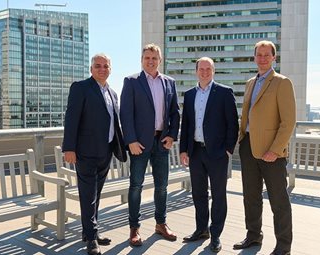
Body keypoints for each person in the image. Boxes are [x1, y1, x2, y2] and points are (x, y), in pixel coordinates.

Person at [233, 40, 296, 255]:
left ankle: (284, 245)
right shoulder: (251, 82)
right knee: (250, 197)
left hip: (272, 152)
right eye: (258, 55)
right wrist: (242, 139)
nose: (262, 58)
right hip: (248, 147)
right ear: (254, 57)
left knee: (278, 201)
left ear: (273, 58)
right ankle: (253, 235)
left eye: (266, 55)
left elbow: (288, 122)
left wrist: (276, 150)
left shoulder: (282, 82)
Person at [62, 53, 127, 255]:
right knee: (88, 196)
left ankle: (89, 232)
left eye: (105, 66)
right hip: (85, 152)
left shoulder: (113, 93)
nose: (101, 69)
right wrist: (68, 148)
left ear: (110, 69)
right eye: (97, 66)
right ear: (91, 69)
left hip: (105, 152)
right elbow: (71, 119)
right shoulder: (80, 88)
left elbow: (114, 124)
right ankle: (91, 239)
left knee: (96, 195)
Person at [120, 43, 180, 246]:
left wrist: (172, 136)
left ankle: (161, 224)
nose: (151, 61)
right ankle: (134, 228)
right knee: (136, 186)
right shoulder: (131, 81)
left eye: (154, 58)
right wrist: (131, 140)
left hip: (162, 143)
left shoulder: (169, 82)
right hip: (140, 144)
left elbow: (174, 113)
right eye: (147, 58)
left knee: (162, 187)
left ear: (160, 60)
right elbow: (125, 114)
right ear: (142, 60)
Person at [180, 57, 239, 253]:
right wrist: (183, 150)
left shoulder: (224, 92)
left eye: (208, 69)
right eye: (201, 69)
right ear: (196, 71)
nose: (204, 72)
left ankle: (216, 235)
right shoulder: (189, 95)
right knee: (198, 193)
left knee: (219, 194)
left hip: (217, 153)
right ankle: (201, 229)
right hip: (196, 151)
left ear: (213, 71)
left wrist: (228, 148)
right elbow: (186, 124)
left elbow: (233, 124)